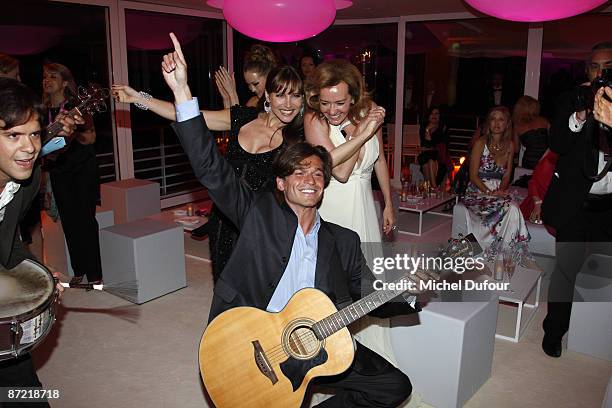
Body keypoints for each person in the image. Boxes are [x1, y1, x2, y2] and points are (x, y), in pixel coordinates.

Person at [161, 32, 423, 407]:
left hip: (312, 340)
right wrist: (183, 91)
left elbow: (369, 295)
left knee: (394, 387)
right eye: (298, 173)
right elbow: (209, 167)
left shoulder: (343, 241)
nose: (310, 179)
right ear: (281, 182)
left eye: (318, 173)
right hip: (254, 336)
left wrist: (412, 291)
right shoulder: (258, 215)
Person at [115, 65, 305, 282]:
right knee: (224, 283)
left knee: (256, 287)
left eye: (296, 96)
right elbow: (188, 117)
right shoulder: (242, 117)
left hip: (260, 226)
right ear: (268, 96)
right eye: (281, 95)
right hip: (223, 220)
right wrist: (140, 98)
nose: (289, 104)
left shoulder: (298, 139)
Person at [304, 60, 398, 368]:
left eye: (340, 102)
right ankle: (335, 355)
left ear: (354, 96)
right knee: (339, 286)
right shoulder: (314, 121)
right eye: (325, 101)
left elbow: (380, 161)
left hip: (364, 208)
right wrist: (363, 131)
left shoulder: (368, 116)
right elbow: (341, 172)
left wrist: (387, 201)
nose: (332, 110)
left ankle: (375, 358)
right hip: (335, 209)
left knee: (370, 279)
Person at [0, 77, 79, 406]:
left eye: (34, 133)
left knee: (25, 394)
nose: (30, 147)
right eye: (13, 135)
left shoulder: (28, 181)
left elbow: (8, 245)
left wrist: (39, 277)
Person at [541, 42, 612, 358]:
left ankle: (595, 333)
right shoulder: (571, 99)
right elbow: (557, 142)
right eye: (596, 67)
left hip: (608, 208)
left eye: (607, 66)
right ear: (588, 70)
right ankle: (554, 331)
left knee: (603, 273)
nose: (601, 73)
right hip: (574, 205)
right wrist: (581, 112)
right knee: (566, 269)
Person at [42, 63, 102, 286]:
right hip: (58, 170)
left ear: (65, 82)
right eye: (45, 76)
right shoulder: (41, 110)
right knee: (68, 221)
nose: (47, 80)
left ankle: (95, 273)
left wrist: (70, 132)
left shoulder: (76, 107)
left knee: (85, 220)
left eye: (53, 76)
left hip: (82, 168)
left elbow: (91, 139)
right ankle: (79, 270)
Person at [462, 106, 530, 260]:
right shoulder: (480, 143)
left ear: (507, 124)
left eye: (501, 119)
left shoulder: (510, 145)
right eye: (493, 119)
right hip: (477, 190)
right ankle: (485, 252)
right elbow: (473, 176)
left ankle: (507, 252)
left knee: (513, 208)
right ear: (488, 123)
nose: (497, 123)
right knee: (508, 207)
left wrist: (500, 190)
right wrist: (490, 192)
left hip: (498, 190)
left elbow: (507, 175)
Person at [512, 95, 550, 169]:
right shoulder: (543, 120)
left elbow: (516, 149)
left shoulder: (517, 125)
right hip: (545, 160)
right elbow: (554, 139)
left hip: (530, 161)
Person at [417, 106, 450, 188]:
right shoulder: (424, 127)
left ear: (440, 116)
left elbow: (440, 145)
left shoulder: (443, 128)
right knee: (429, 159)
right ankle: (433, 186)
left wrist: (430, 147)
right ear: (428, 116)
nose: (434, 116)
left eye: (436, 113)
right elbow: (426, 144)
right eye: (432, 113)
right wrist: (427, 130)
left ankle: (431, 186)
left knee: (430, 159)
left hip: (440, 157)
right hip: (428, 156)